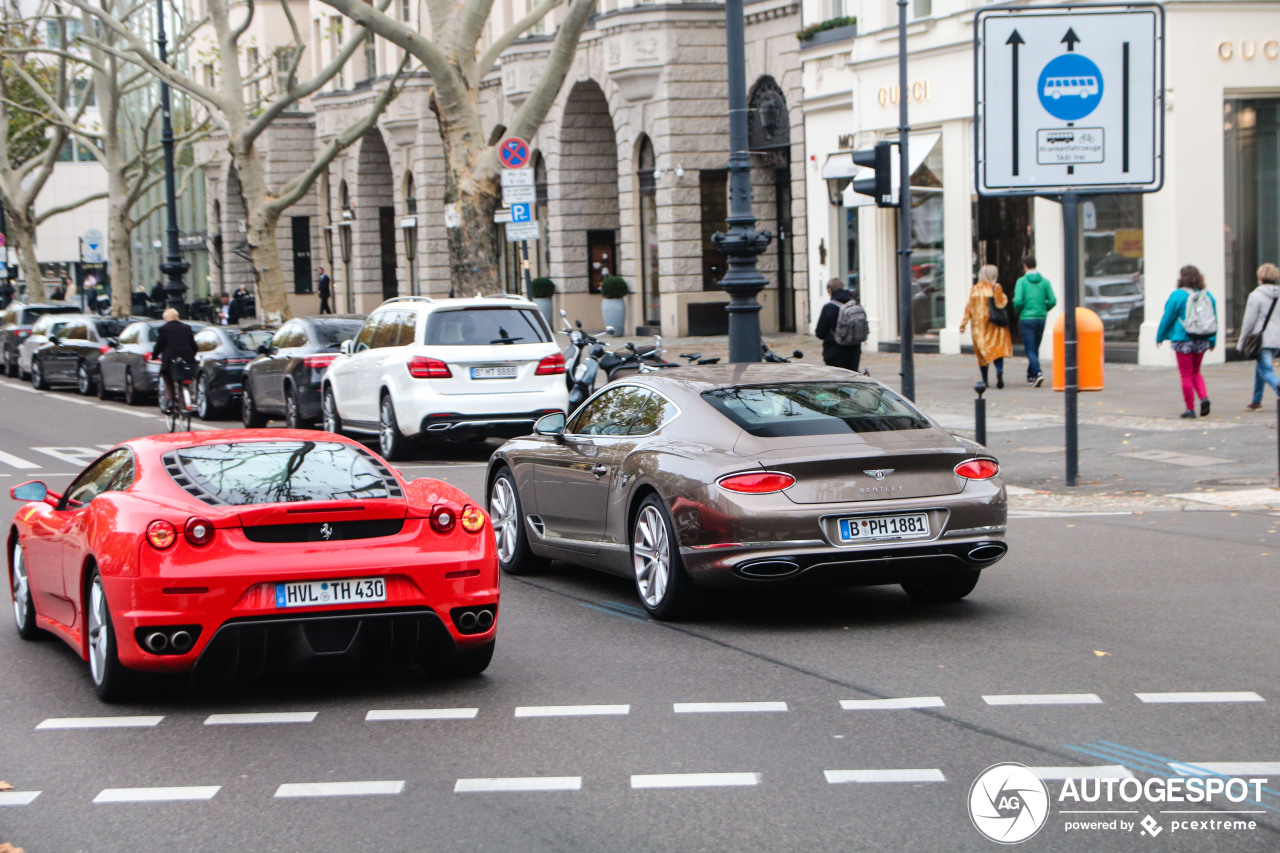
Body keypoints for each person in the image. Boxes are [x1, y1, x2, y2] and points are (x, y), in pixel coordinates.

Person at [1156, 264, 1217, 418]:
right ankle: (1204, 398)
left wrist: (1160, 336)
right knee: (1196, 372)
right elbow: (1213, 319)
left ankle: (1190, 409)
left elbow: (1167, 318)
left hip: (1183, 340)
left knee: (1186, 375)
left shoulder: (1177, 295)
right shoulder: (1207, 295)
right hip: (1201, 339)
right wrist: (1212, 340)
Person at [959, 264, 1012, 388]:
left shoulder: (974, 289)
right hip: (995, 325)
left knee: (981, 354)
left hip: (978, 327)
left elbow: (969, 308)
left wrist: (963, 324)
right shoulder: (995, 287)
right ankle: (999, 372)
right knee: (997, 351)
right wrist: (1004, 296)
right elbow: (1000, 304)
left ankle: (985, 379)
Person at [1238, 262, 1280, 411]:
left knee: (1266, 370)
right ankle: (1256, 400)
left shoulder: (1256, 296)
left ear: (1260, 278)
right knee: (1260, 367)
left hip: (1261, 339)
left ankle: (1278, 388)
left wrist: (1241, 341)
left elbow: (1248, 321)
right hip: (1276, 340)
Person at [1012, 254, 1055, 386]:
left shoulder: (1021, 282)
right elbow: (1052, 300)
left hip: (1027, 318)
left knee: (1030, 349)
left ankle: (1037, 373)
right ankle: (1030, 375)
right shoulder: (1045, 282)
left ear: (1025, 266)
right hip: (1041, 318)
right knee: (1035, 347)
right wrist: (1044, 309)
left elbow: (1018, 301)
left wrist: (1019, 310)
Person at [152, 307, 198, 412]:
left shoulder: (164, 329)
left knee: (167, 377)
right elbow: (194, 346)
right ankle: (186, 395)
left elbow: (159, 345)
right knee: (185, 375)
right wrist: (191, 355)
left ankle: (171, 400)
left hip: (170, 360)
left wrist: (154, 356)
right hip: (187, 359)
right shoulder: (186, 327)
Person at [815, 277, 863, 371]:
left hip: (834, 352)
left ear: (829, 291)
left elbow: (820, 333)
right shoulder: (855, 305)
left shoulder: (828, 308)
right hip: (854, 352)